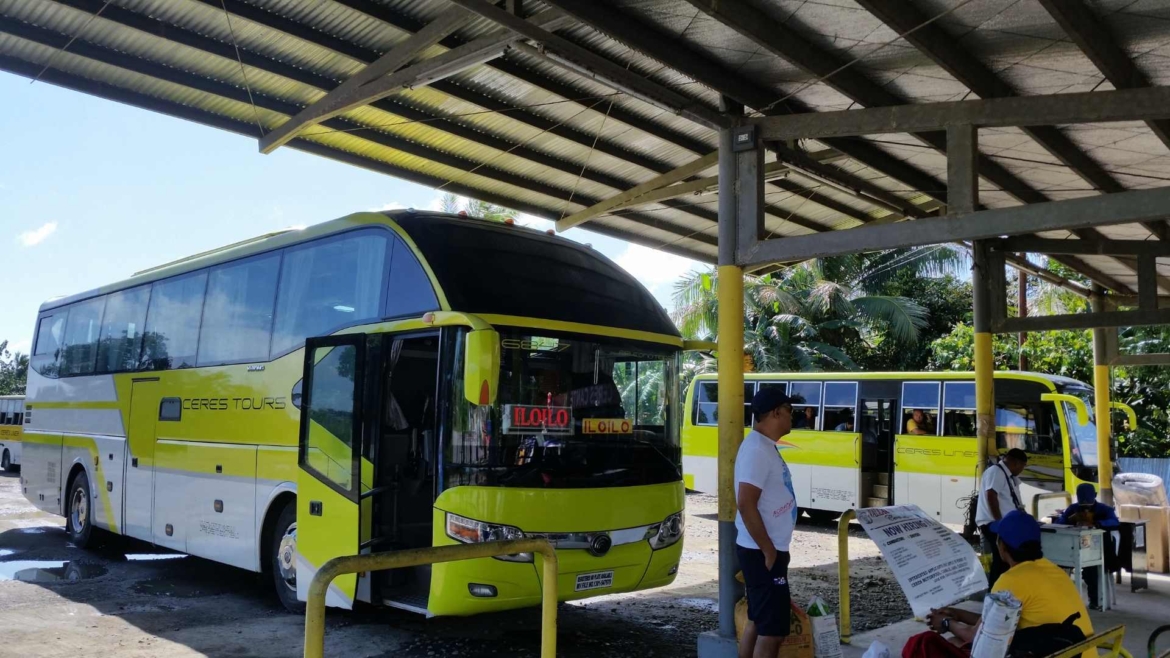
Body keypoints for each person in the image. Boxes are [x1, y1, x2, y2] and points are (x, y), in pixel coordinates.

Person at [903, 511, 1094, 658]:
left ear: (1002, 547)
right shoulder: (1052, 569)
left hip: (1049, 652)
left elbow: (976, 636)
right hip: (1072, 650)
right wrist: (957, 613)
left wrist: (945, 622)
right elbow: (995, 621)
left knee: (922, 643)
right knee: (955, 641)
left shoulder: (1011, 580)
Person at [735, 387, 797, 658]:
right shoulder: (757, 450)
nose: (792, 417)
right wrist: (769, 550)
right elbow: (746, 502)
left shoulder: (764, 446)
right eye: (790, 411)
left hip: (766, 550)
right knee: (772, 630)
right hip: (763, 552)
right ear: (776, 412)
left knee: (758, 620)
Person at [1056, 482, 1120, 609]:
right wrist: (1071, 519)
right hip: (1075, 547)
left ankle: (1095, 600)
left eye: (1088, 507)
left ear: (1095, 496)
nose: (1085, 510)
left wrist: (1096, 523)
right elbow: (1060, 522)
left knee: (1091, 571)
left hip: (1099, 549)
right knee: (1058, 565)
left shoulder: (1104, 509)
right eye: (1083, 507)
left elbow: (1114, 521)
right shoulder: (1073, 509)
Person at [976, 448, 1028, 585]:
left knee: (1006, 560)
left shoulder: (1007, 475)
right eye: (1023, 466)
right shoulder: (996, 472)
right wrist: (1000, 523)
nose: (1022, 470)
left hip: (1006, 523)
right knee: (1002, 560)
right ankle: (994, 593)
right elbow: (991, 496)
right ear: (1016, 463)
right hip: (994, 523)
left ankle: (1001, 591)